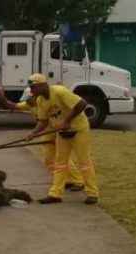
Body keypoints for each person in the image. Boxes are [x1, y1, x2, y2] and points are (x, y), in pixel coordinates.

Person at [26, 74, 99, 205]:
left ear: (42, 85)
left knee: (84, 162)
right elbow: (43, 121)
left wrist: (66, 120)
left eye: (33, 87)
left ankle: (92, 193)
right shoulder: (40, 101)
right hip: (62, 132)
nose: (31, 91)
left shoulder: (59, 91)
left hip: (78, 129)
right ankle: (55, 194)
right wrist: (33, 133)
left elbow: (82, 104)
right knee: (59, 163)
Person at [0, 87, 85, 192]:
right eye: (26, 99)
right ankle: (64, 180)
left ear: (35, 96)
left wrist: (36, 133)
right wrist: (2, 98)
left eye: (29, 99)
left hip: (56, 129)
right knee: (48, 159)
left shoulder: (46, 102)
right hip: (47, 131)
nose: (27, 101)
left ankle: (78, 181)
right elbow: (12, 105)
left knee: (62, 157)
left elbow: (51, 119)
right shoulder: (28, 104)